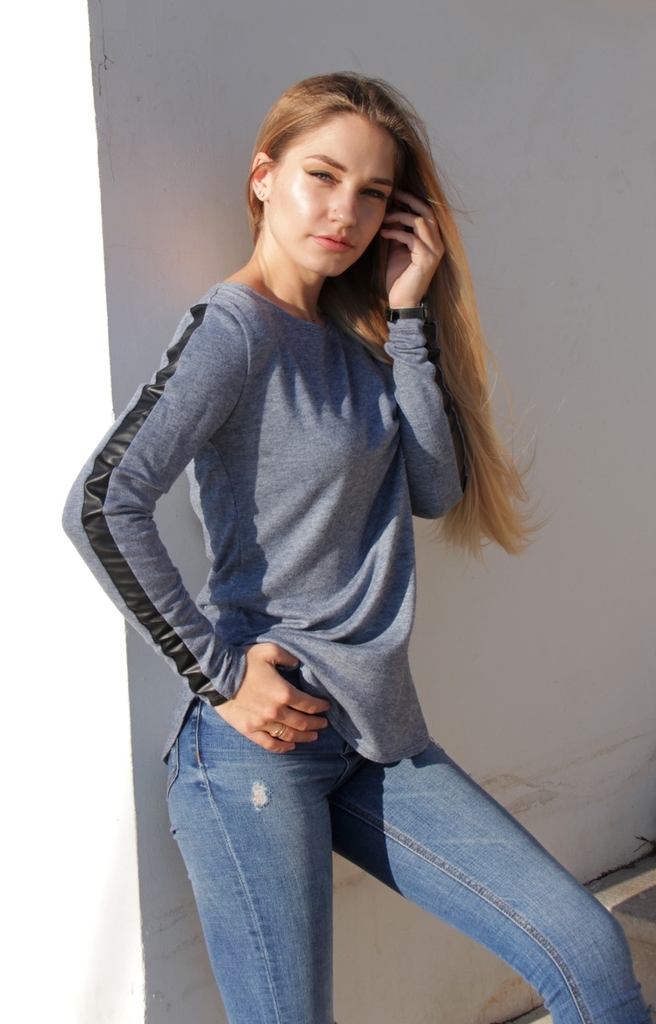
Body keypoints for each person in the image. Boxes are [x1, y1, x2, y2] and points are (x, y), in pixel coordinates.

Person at [63, 73, 649, 1024]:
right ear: (264, 178)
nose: (346, 211)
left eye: (373, 193)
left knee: (586, 950)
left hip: (377, 734)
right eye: (323, 176)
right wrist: (220, 676)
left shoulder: (355, 339)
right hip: (259, 746)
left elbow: (434, 490)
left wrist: (408, 317)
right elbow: (101, 504)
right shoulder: (232, 329)